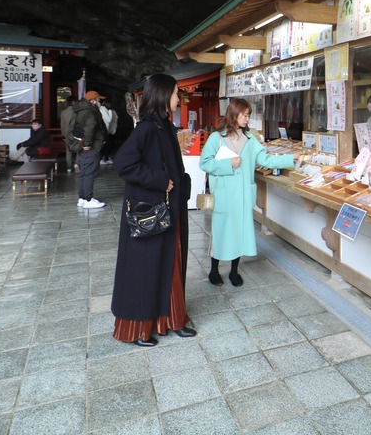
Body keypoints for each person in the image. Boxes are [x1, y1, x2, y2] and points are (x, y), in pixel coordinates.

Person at [111, 73, 194, 347]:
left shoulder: (165, 127)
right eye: (175, 93)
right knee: (146, 270)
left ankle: (173, 319)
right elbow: (123, 163)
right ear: (162, 95)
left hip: (168, 210)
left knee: (170, 265)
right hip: (150, 212)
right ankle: (138, 329)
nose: (178, 99)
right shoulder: (146, 128)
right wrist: (159, 180)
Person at [199, 98, 298, 287]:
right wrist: (227, 164)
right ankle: (214, 270)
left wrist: (289, 159)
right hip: (224, 195)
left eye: (249, 115)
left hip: (243, 195)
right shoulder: (216, 138)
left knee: (238, 232)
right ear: (234, 114)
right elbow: (204, 163)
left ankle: (234, 271)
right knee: (221, 232)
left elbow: (266, 160)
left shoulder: (251, 139)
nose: (247, 119)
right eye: (245, 115)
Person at [74, 90, 107, 208]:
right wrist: (87, 144)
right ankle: (88, 199)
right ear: (92, 100)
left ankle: (82, 198)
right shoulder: (90, 112)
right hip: (91, 146)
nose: (99, 102)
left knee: (84, 172)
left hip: (83, 146)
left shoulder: (81, 110)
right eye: (98, 99)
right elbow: (90, 128)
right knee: (90, 173)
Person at [60, 97, 78, 172]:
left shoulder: (63, 112)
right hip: (77, 133)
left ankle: (69, 168)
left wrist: (63, 134)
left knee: (68, 151)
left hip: (68, 133)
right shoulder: (78, 111)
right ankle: (76, 164)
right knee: (79, 150)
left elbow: (62, 125)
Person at [99, 100, 117, 165]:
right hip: (103, 131)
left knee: (107, 144)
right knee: (105, 144)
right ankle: (101, 159)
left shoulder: (104, 110)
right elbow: (109, 120)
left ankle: (105, 158)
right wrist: (110, 111)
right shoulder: (104, 111)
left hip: (106, 130)